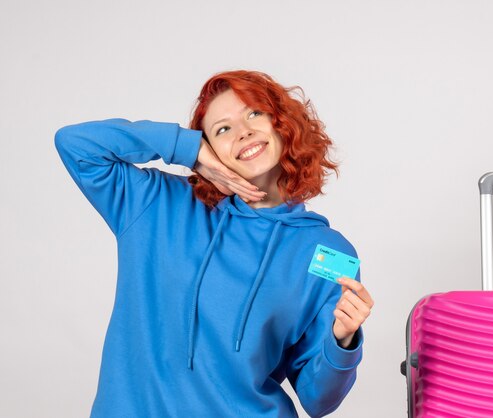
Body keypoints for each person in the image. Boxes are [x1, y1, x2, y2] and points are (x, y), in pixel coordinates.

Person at [55, 69, 374, 418]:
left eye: (255, 113)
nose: (244, 131)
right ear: (209, 147)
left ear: (282, 123)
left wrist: (343, 340)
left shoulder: (329, 254)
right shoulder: (156, 203)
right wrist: (186, 150)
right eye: (223, 129)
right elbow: (76, 144)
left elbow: (318, 400)